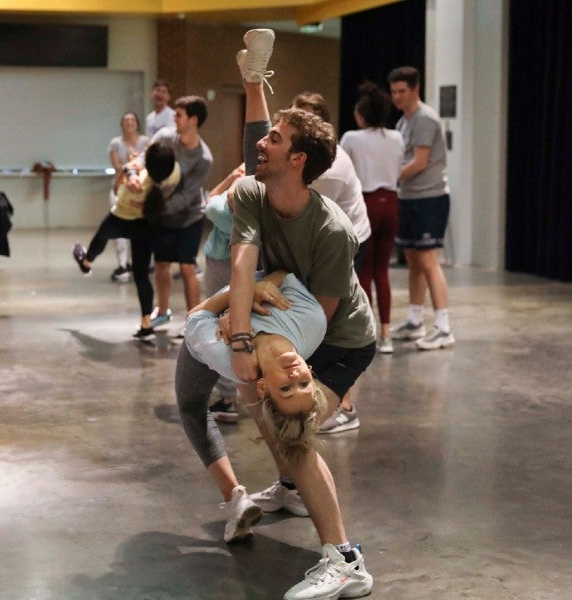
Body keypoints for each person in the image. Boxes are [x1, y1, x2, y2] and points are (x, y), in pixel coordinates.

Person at [231, 29, 376, 600]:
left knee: (291, 426)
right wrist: (241, 337)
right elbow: (243, 265)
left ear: (297, 160)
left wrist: (276, 369)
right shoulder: (253, 192)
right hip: (289, 314)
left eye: (274, 139)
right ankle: (291, 485)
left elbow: (321, 319)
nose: (260, 146)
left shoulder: (332, 232)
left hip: (339, 337)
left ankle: (345, 561)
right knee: (262, 402)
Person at [176, 269, 329, 539]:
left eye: (285, 388)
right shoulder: (312, 322)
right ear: (311, 372)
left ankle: (234, 497)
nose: (294, 376)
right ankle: (289, 487)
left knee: (191, 407)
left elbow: (193, 319)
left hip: (206, 343)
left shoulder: (223, 354)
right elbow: (284, 273)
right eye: (304, 384)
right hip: (250, 273)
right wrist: (258, 287)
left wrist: (236, 301)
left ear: (262, 386)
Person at [290, 91, 370, 435]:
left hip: (348, 240)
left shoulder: (329, 170)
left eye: (307, 119)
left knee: (335, 326)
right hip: (325, 244)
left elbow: (323, 224)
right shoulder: (306, 162)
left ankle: (345, 407)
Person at [71, 141, 181, 339]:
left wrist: (128, 172)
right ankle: (146, 322)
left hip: (122, 219)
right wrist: (134, 168)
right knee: (140, 274)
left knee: (101, 237)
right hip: (147, 224)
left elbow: (116, 191)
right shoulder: (173, 174)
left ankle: (86, 262)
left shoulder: (137, 184)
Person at [130, 95, 213, 333]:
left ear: (193, 120)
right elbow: (145, 158)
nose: (174, 118)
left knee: (187, 267)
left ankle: (194, 320)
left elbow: (187, 195)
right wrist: (133, 173)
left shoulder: (203, 158)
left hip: (189, 217)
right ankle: (162, 311)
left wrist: (153, 208)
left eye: (179, 115)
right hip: (163, 216)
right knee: (162, 264)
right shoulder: (166, 137)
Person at [388, 66, 455, 350]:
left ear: (415, 89)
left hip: (430, 199)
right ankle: (416, 321)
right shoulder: (403, 123)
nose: (397, 97)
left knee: (429, 261)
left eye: (402, 91)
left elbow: (419, 162)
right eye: (393, 92)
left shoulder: (425, 119)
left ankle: (443, 326)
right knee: (413, 261)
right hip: (409, 198)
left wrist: (386, 177)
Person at [340, 82, 405, 354]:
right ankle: (388, 332)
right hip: (391, 203)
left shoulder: (352, 139)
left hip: (365, 204)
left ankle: (367, 333)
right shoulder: (397, 138)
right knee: (382, 271)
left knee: (363, 271)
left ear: (362, 114)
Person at [201, 162, 247, 423]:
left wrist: (231, 178)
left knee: (220, 328)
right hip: (249, 268)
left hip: (220, 265)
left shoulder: (222, 209)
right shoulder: (258, 210)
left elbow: (210, 200)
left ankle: (228, 398)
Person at [107, 112, 150, 283]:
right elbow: (118, 166)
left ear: (137, 123)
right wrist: (129, 163)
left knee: (140, 227)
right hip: (121, 187)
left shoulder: (146, 142)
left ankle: (140, 263)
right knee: (119, 226)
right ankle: (122, 264)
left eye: (132, 120)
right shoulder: (115, 143)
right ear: (121, 125)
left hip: (141, 188)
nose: (129, 123)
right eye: (126, 120)